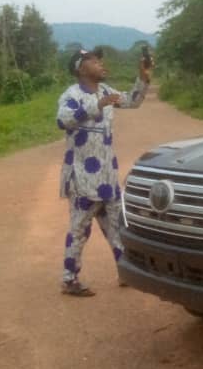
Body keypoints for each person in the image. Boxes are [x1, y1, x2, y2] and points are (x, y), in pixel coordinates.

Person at [57, 47, 151, 296]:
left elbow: (132, 100)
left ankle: (126, 271)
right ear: (80, 68)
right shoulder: (72, 95)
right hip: (83, 179)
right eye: (93, 60)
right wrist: (95, 106)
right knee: (79, 230)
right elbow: (62, 120)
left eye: (100, 59)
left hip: (108, 178)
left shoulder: (106, 91)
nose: (100, 63)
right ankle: (69, 280)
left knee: (117, 227)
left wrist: (143, 77)